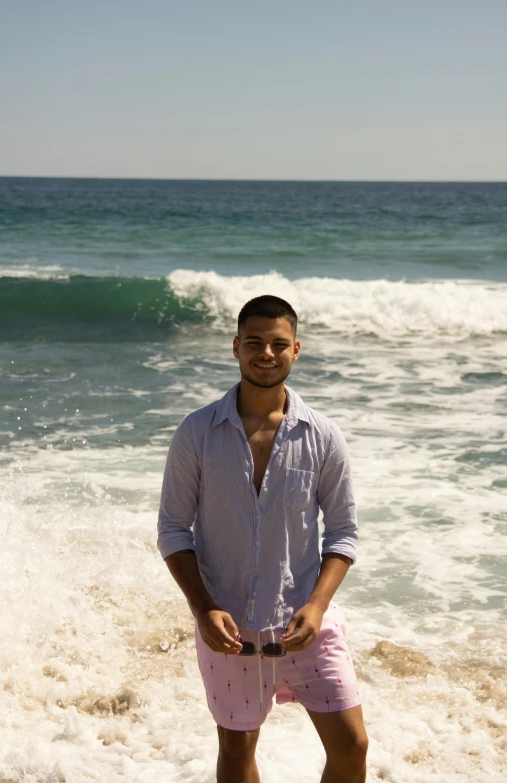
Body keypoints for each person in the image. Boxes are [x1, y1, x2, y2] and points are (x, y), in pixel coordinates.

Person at [157, 295, 368, 783]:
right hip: (229, 627)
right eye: (254, 343)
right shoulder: (197, 432)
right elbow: (173, 528)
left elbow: (342, 533)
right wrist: (203, 607)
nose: (266, 354)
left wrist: (316, 607)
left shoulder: (323, 436)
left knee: (353, 746)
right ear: (236, 347)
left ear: (296, 349)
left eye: (278, 344)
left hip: (307, 623)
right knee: (236, 754)